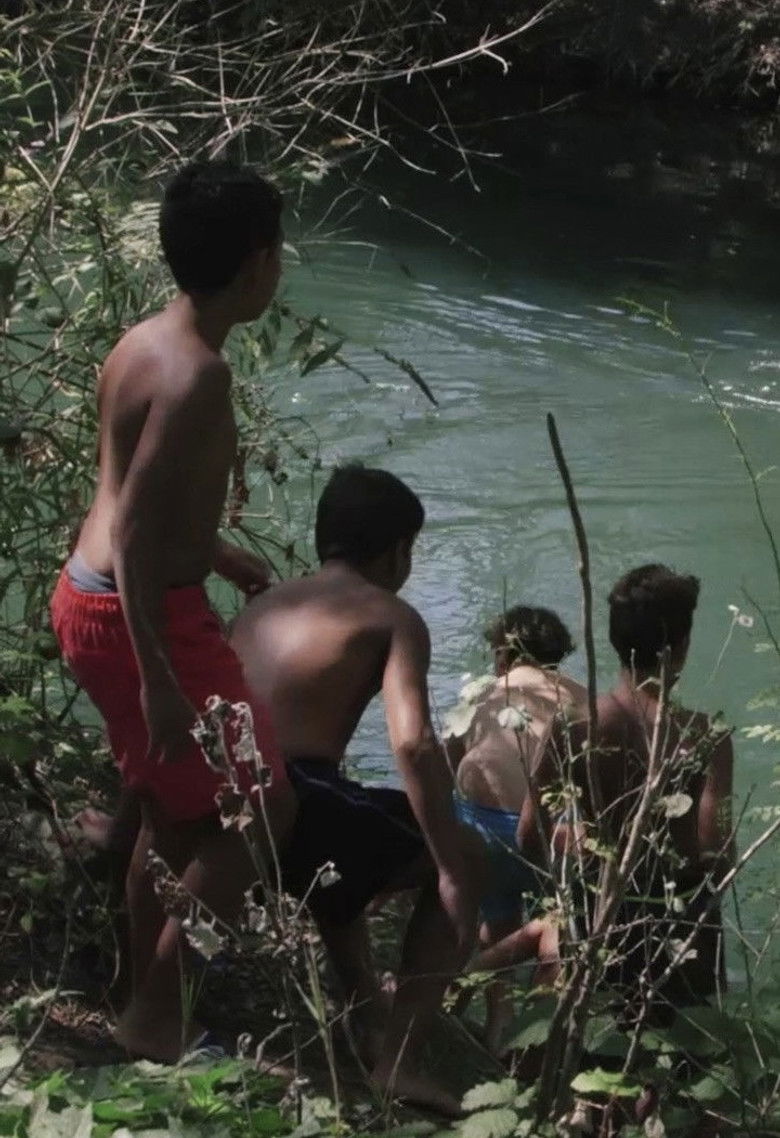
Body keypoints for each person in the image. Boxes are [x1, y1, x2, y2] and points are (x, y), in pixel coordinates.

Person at [50, 161, 298, 1062]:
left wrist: (219, 553)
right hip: (141, 614)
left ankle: (134, 1001)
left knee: (175, 814)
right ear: (256, 264)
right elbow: (143, 530)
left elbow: (126, 495)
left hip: (95, 595)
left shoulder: (146, 340)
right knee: (260, 810)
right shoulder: (198, 377)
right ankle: (159, 1018)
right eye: (279, 252)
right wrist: (159, 676)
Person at [230, 465, 480, 1115]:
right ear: (398, 549)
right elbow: (413, 744)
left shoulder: (265, 602)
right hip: (299, 798)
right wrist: (450, 863)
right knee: (466, 855)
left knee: (351, 824)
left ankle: (367, 1010)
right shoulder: (391, 615)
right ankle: (398, 1062)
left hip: (231, 802)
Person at [516, 564, 734, 1015]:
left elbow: (527, 836)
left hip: (597, 916)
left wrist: (566, 884)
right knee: (687, 1064)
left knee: (596, 1053)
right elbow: (716, 854)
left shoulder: (573, 727)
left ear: (615, 641)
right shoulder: (706, 737)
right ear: (682, 647)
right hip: (679, 927)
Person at [448, 605, 585, 1052]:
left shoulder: (481, 694)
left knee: (499, 916)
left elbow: (450, 762)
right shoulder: (580, 697)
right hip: (554, 832)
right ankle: (542, 1032)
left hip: (486, 829)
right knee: (559, 922)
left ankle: (497, 1020)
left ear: (503, 653)